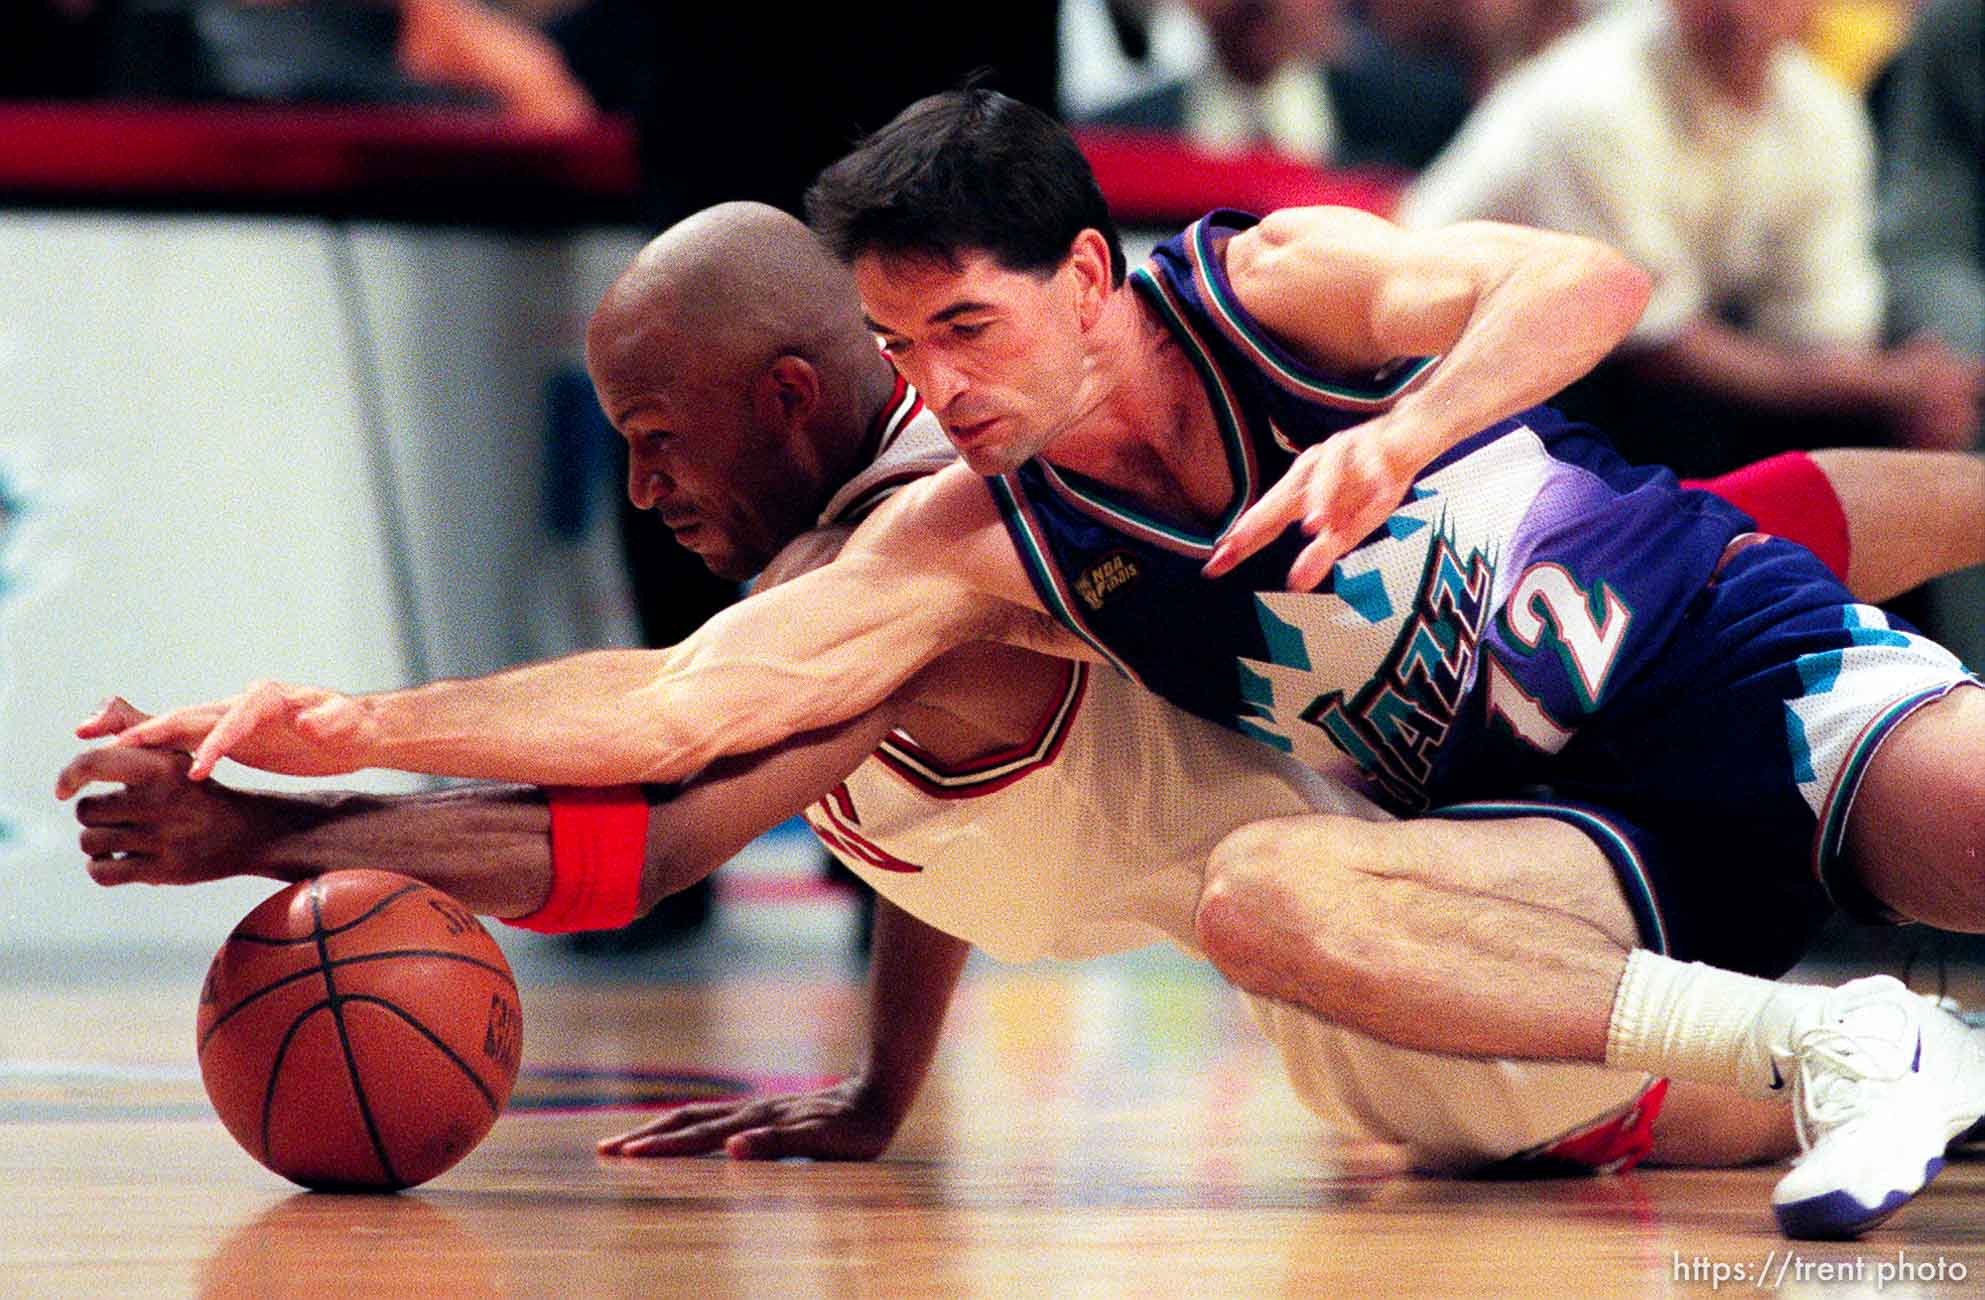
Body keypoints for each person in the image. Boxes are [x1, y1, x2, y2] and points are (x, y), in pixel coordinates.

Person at [105, 96, 1985, 1237]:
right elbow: (683, 712)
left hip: (1718, 701)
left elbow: (1581, 283)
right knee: (1283, 881)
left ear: (1090, 278)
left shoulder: (1260, 296)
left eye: (969, 330)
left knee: (1743, 533)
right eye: (899, 344)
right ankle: (1862, 1038)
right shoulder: (961, 544)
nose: (939, 388)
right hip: (1510, 880)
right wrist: (340, 725)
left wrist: (1401, 441)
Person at [1397, 0, 1981, 476]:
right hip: (1429, 361)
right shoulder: (1596, 97)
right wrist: (1877, 386)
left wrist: (1900, 396)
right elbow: (1651, 344)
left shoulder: (1821, 115)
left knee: (1876, 428)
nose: (1739, 11)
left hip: (1603, 359)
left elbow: (1823, 330)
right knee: (1688, 414)